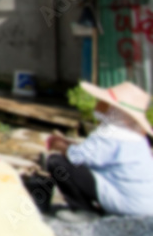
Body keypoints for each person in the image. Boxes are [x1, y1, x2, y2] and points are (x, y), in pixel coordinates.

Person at [45, 81, 153, 217]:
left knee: (57, 162)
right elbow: (94, 153)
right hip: (146, 206)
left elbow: (76, 157)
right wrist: (70, 144)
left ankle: (83, 211)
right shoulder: (137, 137)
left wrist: (59, 145)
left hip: (125, 204)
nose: (99, 103)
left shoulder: (109, 133)